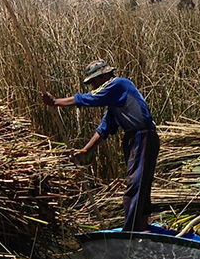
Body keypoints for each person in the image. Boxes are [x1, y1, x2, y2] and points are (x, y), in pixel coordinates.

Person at [42, 59, 159, 232]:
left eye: (95, 81)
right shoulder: (114, 103)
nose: (93, 85)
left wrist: (56, 102)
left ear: (105, 75)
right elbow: (104, 130)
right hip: (134, 139)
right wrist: (84, 151)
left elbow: (91, 98)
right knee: (139, 183)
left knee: (137, 184)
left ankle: (132, 232)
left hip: (143, 136)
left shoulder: (119, 85)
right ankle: (141, 227)